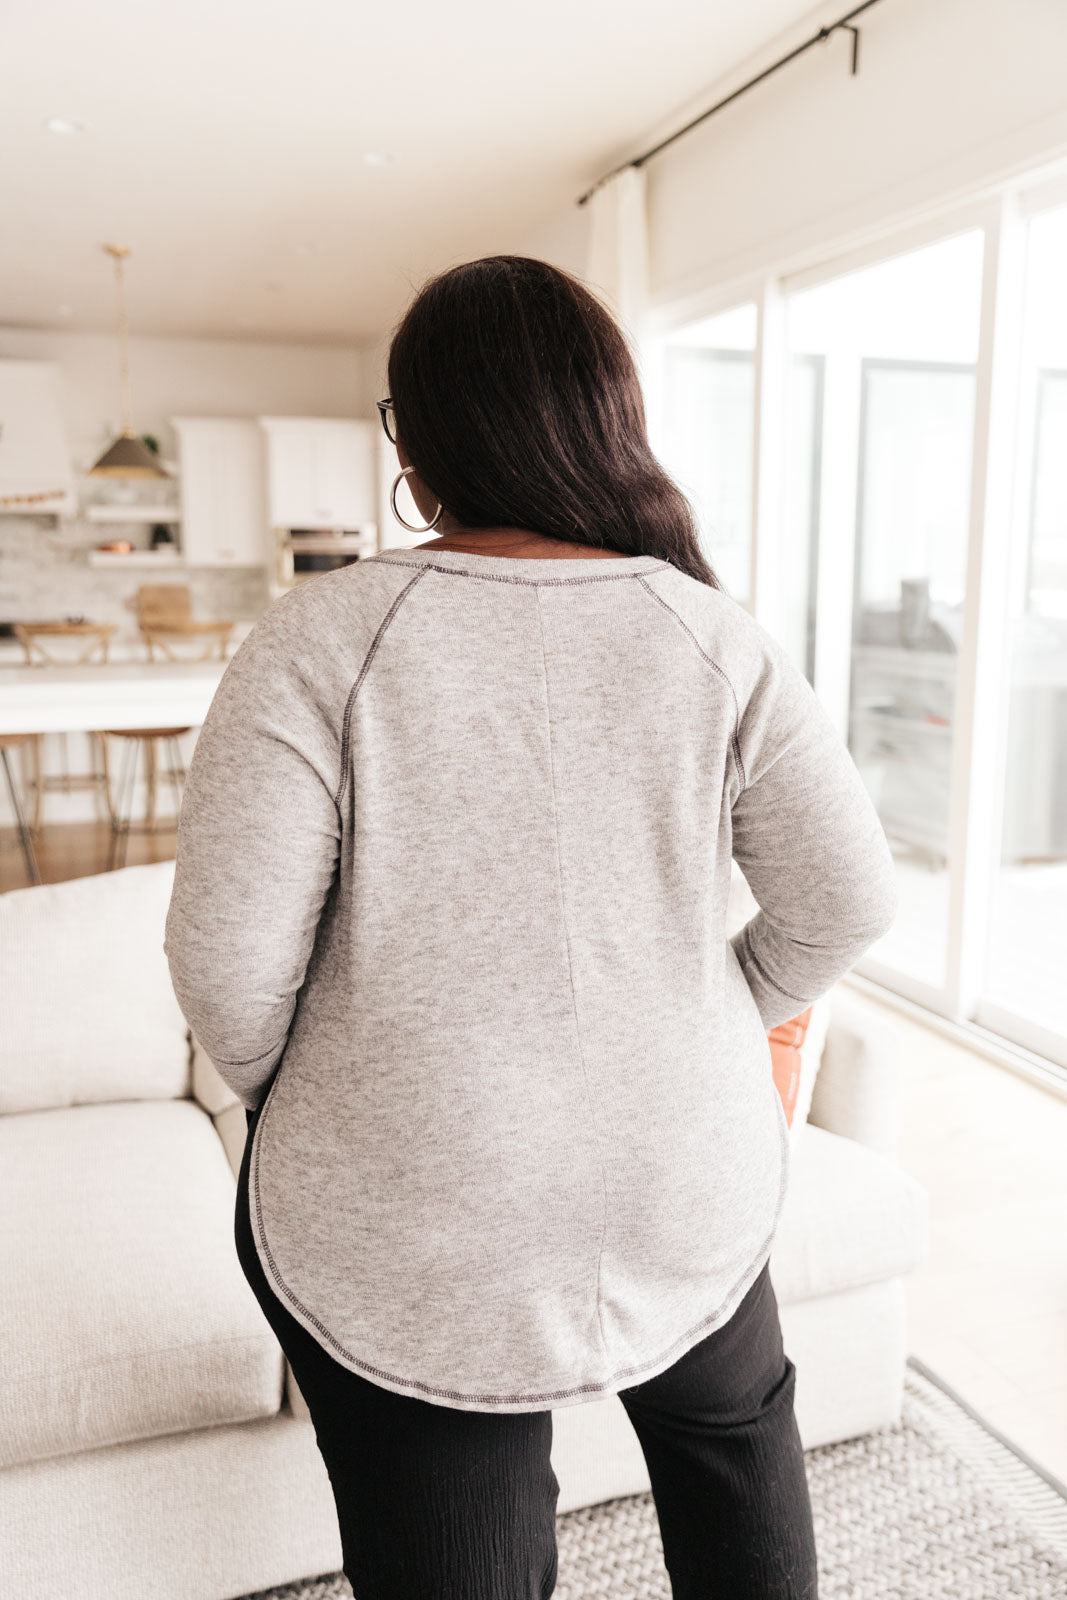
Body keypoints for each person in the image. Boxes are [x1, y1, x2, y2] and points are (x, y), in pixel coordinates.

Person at [164, 255, 899, 1600]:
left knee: (462, 1553)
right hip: (682, 1174)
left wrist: (335, 1091)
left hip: (415, 1211)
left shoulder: (318, 640)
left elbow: (224, 966)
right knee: (735, 1446)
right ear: (609, 420)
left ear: (418, 442)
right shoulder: (713, 634)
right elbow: (848, 900)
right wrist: (706, 1026)